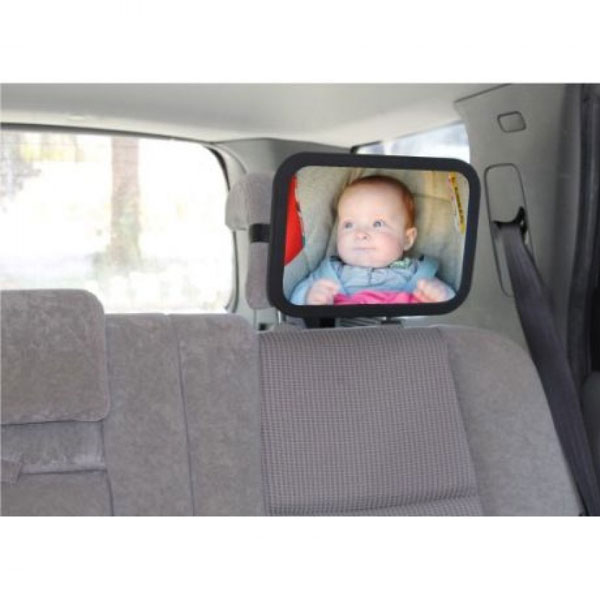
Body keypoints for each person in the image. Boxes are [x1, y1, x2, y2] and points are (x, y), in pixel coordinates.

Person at [289, 175, 455, 305]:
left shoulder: (418, 275)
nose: (360, 234)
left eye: (377, 224)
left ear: (407, 239)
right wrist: (309, 297)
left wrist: (442, 296)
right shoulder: (329, 273)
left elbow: (453, 311)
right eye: (348, 225)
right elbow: (293, 304)